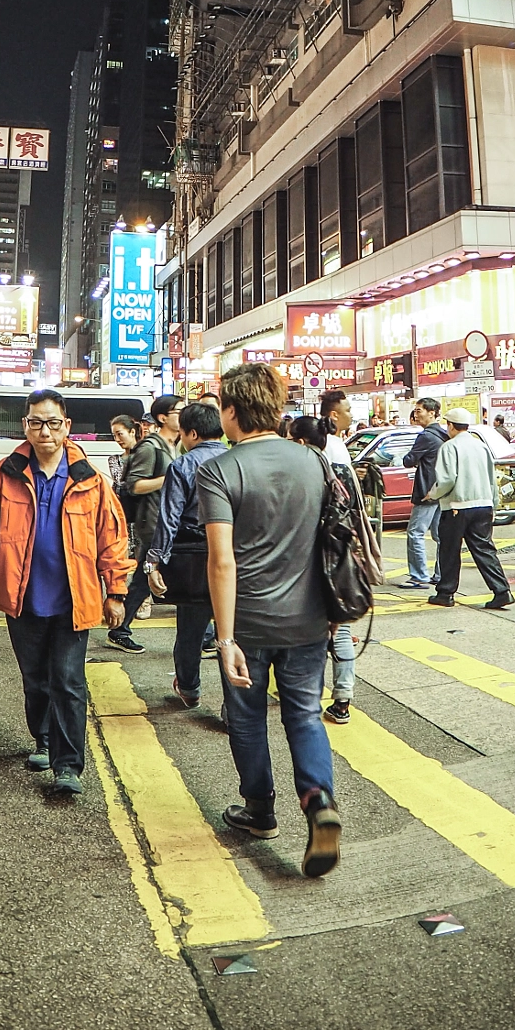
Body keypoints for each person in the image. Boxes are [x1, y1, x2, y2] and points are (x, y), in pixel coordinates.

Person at [197, 363, 342, 876]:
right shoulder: (314, 461)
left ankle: (260, 811)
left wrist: (226, 636)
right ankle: (319, 802)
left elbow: (221, 561)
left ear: (232, 411)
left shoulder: (219, 469)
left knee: (247, 718)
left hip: (250, 621)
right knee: (303, 714)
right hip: (309, 618)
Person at [0, 389, 129, 794]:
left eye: (53, 422)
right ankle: (45, 739)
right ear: (26, 426)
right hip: (22, 599)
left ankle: (68, 767)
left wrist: (116, 590)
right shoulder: (6, 473)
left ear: (66, 426)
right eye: (36, 422)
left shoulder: (90, 480)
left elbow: (112, 538)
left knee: (69, 681)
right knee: (35, 680)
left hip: (77, 599)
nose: (45, 431)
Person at [145, 400, 227, 710]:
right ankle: (233, 707)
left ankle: (190, 688)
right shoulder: (237, 462)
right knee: (230, 635)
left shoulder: (182, 466)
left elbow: (169, 518)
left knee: (191, 632)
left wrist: (153, 562)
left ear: (191, 433)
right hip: (235, 560)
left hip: (194, 561)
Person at [289, 413, 361, 724]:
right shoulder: (341, 470)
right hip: (341, 559)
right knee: (340, 627)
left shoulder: (302, 471)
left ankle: (309, 693)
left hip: (310, 561)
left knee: (313, 631)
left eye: (292, 439)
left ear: (302, 442)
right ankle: (343, 698)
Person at [425, 412, 514, 609]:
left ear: (450, 426)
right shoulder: (481, 446)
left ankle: (446, 592)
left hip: (457, 505)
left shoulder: (449, 447)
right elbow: (492, 478)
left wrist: (433, 493)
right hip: (483, 504)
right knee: (484, 548)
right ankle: (502, 590)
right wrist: (494, 503)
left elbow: (447, 480)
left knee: (449, 549)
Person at [106, 405, 175, 651]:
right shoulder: (151, 448)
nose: (117, 438)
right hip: (153, 523)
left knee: (143, 582)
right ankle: (207, 636)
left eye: (120, 433)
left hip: (162, 522)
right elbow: (134, 486)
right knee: (179, 579)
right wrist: (171, 479)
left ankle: (119, 628)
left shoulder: (168, 445)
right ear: (164, 418)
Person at [401, 398, 448, 588]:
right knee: (439, 535)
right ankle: (440, 573)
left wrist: (407, 457)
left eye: (419, 410)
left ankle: (419, 576)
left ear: (431, 413)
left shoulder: (426, 436)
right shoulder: (443, 434)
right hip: (441, 491)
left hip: (427, 492)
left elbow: (408, 460)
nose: (416, 414)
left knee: (415, 533)